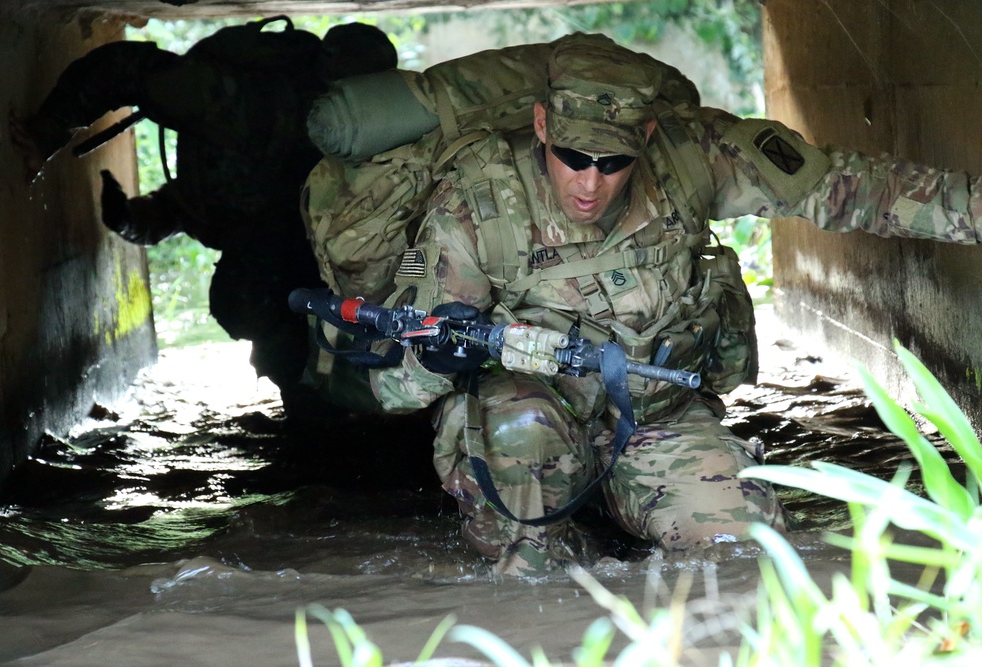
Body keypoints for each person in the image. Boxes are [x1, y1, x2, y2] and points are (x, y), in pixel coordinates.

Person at [355, 34, 982, 577]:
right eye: (572, 158)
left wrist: (972, 210)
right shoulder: (477, 199)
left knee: (746, 548)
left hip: (658, 416)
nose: (589, 182)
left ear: (647, 138)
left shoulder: (692, 156)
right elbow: (397, 387)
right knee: (527, 551)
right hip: (535, 430)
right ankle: (545, 548)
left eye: (613, 162)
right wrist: (437, 354)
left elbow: (843, 189)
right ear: (542, 125)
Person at [9, 18, 398, 404]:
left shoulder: (363, 143)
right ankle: (305, 397)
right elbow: (124, 68)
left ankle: (318, 397)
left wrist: (138, 221)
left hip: (294, 260)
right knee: (265, 305)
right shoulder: (246, 104)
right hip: (270, 271)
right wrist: (49, 129)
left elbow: (212, 201)